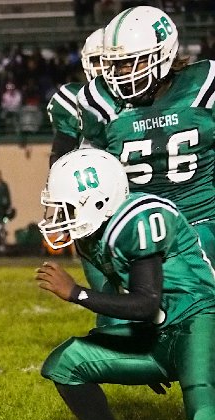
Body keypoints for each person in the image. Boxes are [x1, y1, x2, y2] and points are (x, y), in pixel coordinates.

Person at [36, 148, 215, 420]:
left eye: (67, 207)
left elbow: (145, 302)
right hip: (159, 331)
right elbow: (126, 295)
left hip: (199, 321)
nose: (59, 216)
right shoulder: (94, 235)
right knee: (66, 363)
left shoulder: (141, 219)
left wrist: (76, 293)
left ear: (97, 202)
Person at [78, 6, 215, 265]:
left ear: (163, 54)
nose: (122, 72)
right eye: (116, 64)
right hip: (137, 227)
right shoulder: (99, 101)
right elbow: (91, 169)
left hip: (203, 221)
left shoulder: (204, 86)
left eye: (132, 61)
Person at [46, 28, 104, 166]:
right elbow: (59, 160)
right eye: (98, 60)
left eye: (110, 60)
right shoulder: (76, 99)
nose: (105, 66)